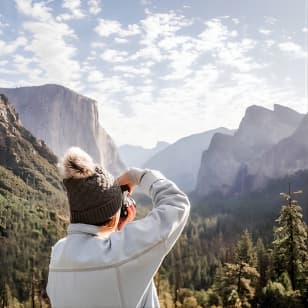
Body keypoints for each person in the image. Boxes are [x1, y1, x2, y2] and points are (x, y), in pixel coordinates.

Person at [46, 146, 190, 308]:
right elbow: (177, 203)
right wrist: (138, 176)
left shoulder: (58, 254)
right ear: (113, 215)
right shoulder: (120, 255)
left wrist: (115, 228)